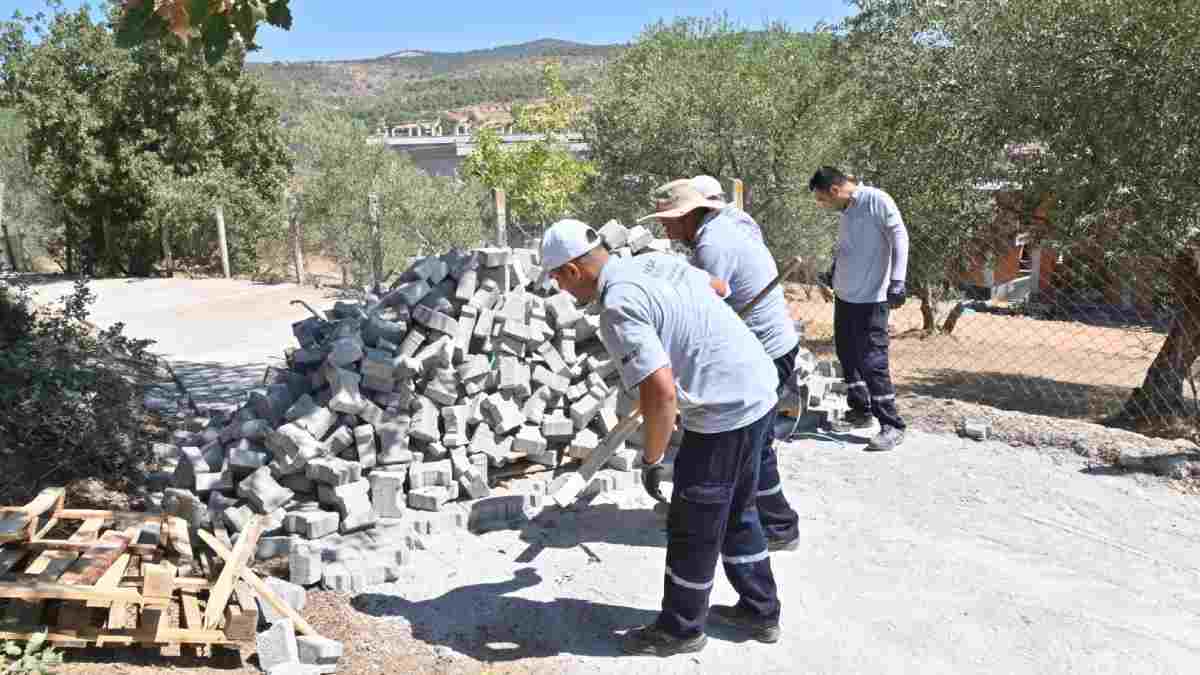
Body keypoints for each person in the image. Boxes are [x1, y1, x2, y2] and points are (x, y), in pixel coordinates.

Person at [540, 218, 783, 656]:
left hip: (723, 410)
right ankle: (760, 611)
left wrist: (653, 460)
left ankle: (681, 629)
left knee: (693, 522)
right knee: (738, 510)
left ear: (573, 271)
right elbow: (719, 287)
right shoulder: (652, 263)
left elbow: (660, 393)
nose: (561, 289)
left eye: (558, 279)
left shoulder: (618, 305)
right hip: (760, 388)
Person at [635, 177, 801, 551]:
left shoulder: (713, 244)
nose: (664, 226)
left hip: (765, 350)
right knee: (753, 444)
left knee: (753, 444)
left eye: (668, 219)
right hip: (773, 344)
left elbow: (706, 313)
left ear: (690, 214)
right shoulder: (728, 225)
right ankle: (759, 519)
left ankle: (778, 526)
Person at [808, 166, 909, 452]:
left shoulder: (877, 199)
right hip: (846, 296)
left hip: (871, 298)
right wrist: (833, 272)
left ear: (834, 190)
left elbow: (899, 237)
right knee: (848, 355)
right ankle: (861, 411)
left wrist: (898, 281)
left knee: (872, 361)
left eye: (822, 200)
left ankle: (891, 425)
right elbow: (848, 248)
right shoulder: (848, 211)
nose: (822, 206)